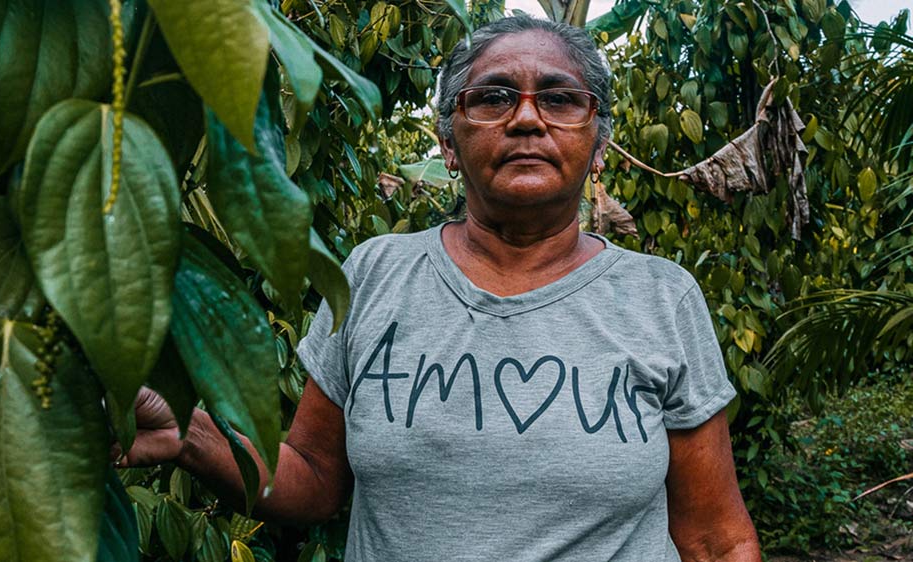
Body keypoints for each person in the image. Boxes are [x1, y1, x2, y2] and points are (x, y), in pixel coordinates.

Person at [122, 15, 762, 562]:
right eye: (492, 98)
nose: (527, 119)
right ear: (448, 143)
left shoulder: (659, 298)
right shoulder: (374, 276)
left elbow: (715, 540)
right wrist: (188, 434)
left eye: (561, 99)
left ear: (598, 145)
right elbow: (313, 479)